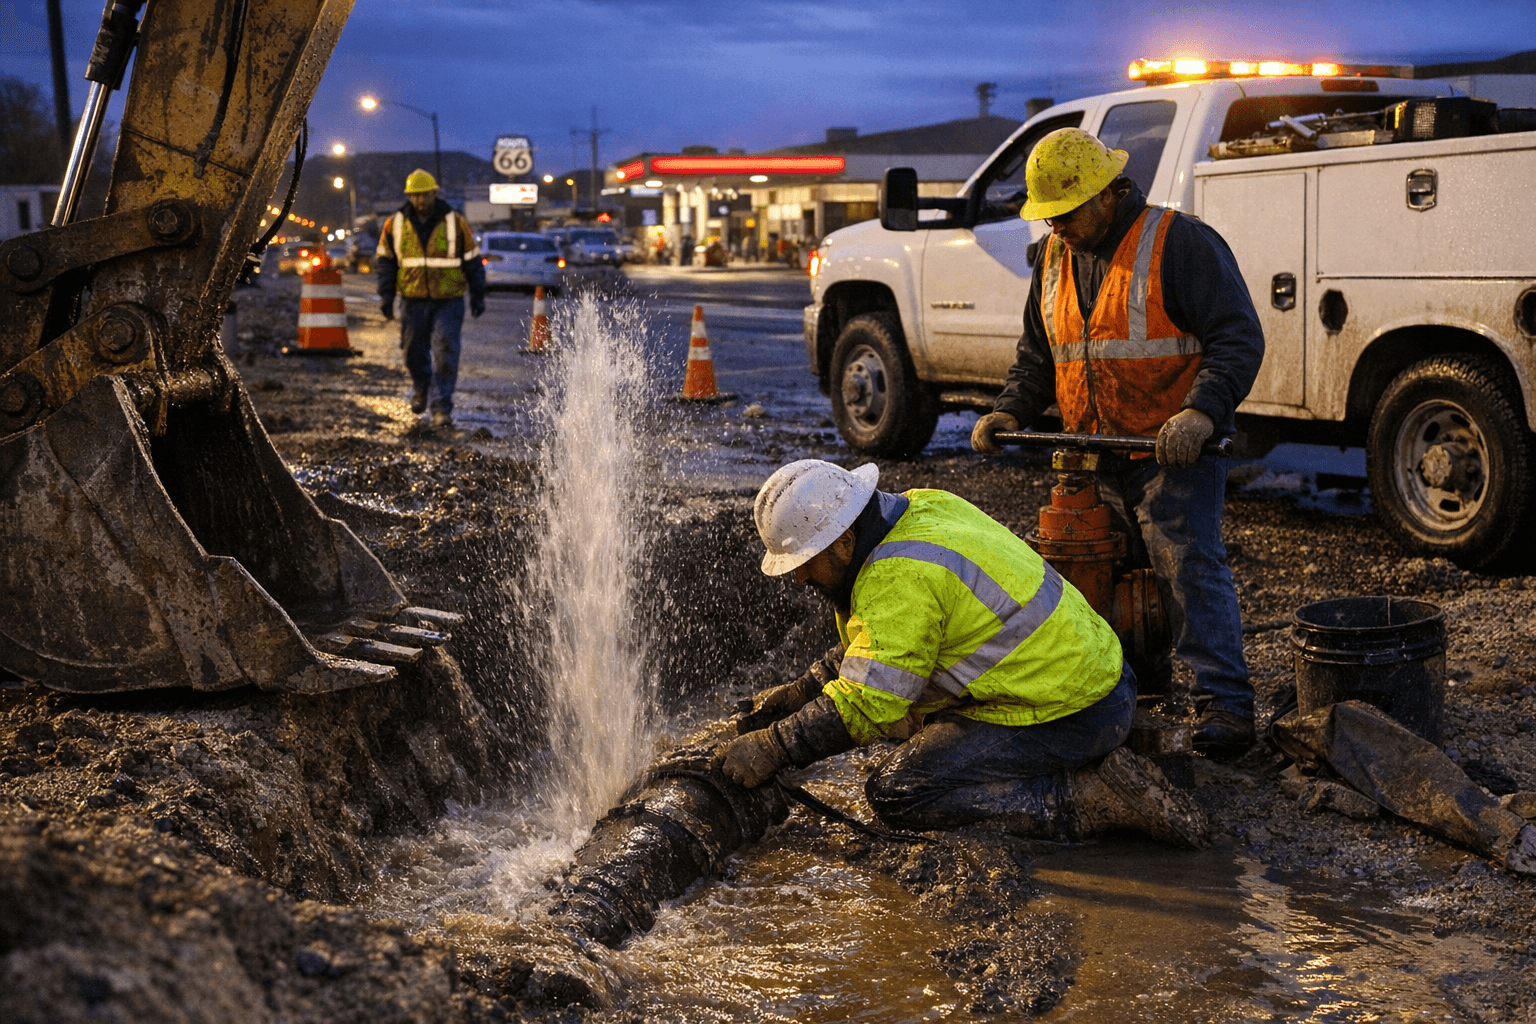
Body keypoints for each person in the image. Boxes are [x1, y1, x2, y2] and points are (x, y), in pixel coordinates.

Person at [714, 459, 1209, 846]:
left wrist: (774, 746)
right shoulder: (918, 508)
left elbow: (871, 701)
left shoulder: (899, 576)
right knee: (914, 736)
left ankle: (1083, 800)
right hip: (1091, 676)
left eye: (806, 562)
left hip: (1076, 712)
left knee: (900, 792)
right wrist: (804, 689)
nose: (799, 576)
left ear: (844, 542)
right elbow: (882, 640)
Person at [971, 128, 1265, 762]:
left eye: (1067, 214)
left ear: (1108, 193)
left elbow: (1237, 338)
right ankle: (1136, 691)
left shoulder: (1177, 243)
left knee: (1184, 561)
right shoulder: (1054, 256)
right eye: (1048, 218)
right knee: (1105, 579)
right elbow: (1038, 355)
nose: (1057, 229)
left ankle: (1226, 704)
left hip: (1170, 451)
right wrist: (1007, 410)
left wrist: (1199, 413)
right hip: (1093, 451)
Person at [375, 169, 486, 430]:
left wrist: (478, 294)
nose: (420, 201)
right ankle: (422, 387)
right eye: (415, 196)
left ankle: (441, 408)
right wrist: (387, 297)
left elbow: (472, 261)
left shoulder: (455, 223)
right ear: (409, 197)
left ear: (434, 193)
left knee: (446, 350)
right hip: (412, 299)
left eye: (425, 195)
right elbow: (385, 263)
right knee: (413, 352)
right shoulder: (395, 224)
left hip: (448, 299)